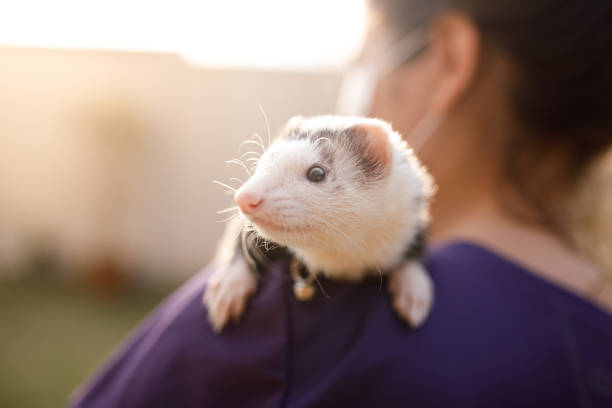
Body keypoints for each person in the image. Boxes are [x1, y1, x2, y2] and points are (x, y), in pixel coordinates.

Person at [70, 0, 612, 407]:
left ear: (449, 62)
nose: (357, 74)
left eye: (365, 55)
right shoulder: (594, 347)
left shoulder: (285, 310)